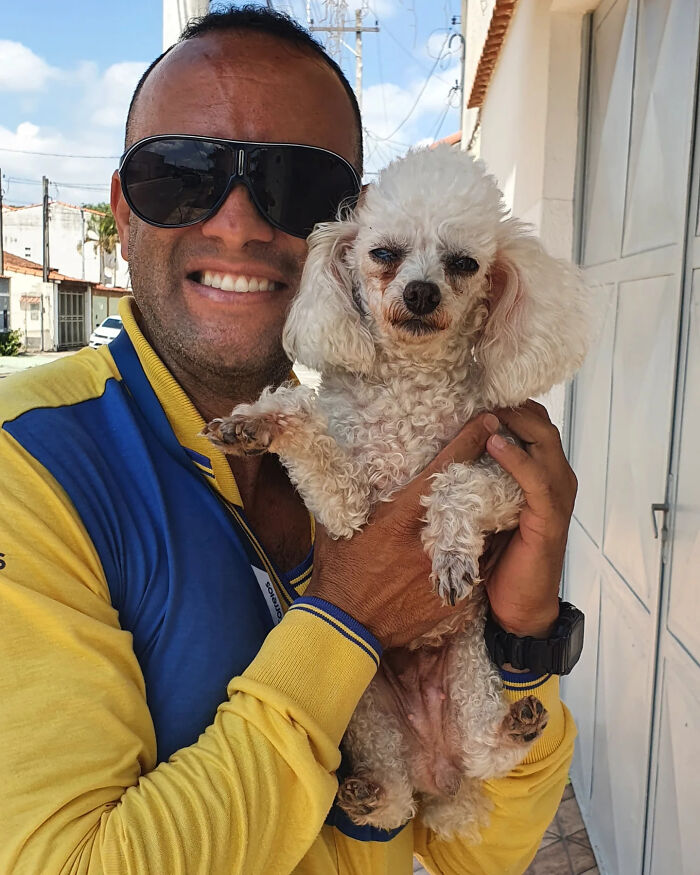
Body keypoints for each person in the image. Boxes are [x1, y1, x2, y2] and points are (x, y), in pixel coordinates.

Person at [0, 7, 581, 874]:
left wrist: (524, 638)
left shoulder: (361, 433)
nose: (236, 222)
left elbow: (478, 853)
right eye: (180, 174)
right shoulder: (31, 465)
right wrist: (345, 619)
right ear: (120, 212)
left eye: (296, 185)